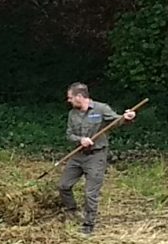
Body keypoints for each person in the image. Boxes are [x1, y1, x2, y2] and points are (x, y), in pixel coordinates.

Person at [56, 83, 136, 235]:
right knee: (63, 186)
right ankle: (72, 211)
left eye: (70, 98)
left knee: (90, 193)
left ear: (79, 97)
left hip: (96, 156)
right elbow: (69, 135)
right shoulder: (72, 114)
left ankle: (89, 224)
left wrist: (127, 118)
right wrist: (80, 140)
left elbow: (117, 121)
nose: (69, 101)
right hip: (78, 155)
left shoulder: (101, 109)